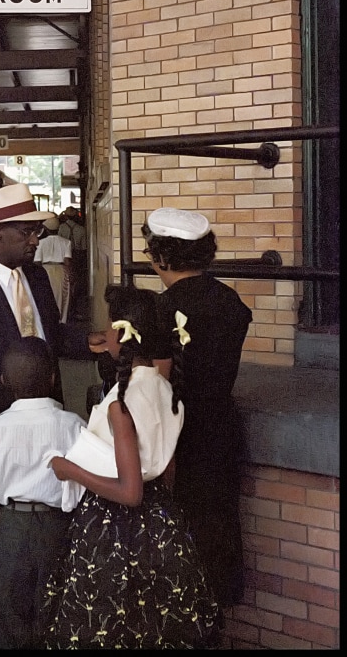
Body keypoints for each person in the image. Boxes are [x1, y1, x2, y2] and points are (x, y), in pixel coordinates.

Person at [41, 284, 220, 649]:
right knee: (156, 625)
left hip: (115, 529)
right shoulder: (167, 391)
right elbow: (166, 470)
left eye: (108, 326)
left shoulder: (120, 405)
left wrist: (68, 469)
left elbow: (130, 492)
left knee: (108, 624)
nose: (104, 333)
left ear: (123, 334)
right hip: (162, 522)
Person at [142, 206, 253, 608]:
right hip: (221, 428)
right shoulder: (231, 302)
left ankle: (183, 617)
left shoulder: (160, 308)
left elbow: (157, 386)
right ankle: (216, 613)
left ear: (162, 257)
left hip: (178, 438)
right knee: (219, 527)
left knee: (179, 531)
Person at [0, 183, 101, 450]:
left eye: (37, 231)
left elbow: (48, 333)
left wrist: (88, 341)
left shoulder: (38, 277)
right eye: (26, 232)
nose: (35, 240)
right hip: (2, 433)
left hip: (51, 419)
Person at [0, 337, 86, 650]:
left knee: (9, 617)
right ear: (53, 378)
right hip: (59, 527)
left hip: (11, 526)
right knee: (58, 613)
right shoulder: (73, 426)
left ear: (4, 381)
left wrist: (5, 526)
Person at [33, 215, 72, 323]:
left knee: (46, 297)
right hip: (61, 271)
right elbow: (67, 262)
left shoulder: (40, 243)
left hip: (45, 271)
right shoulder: (67, 242)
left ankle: (48, 321)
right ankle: (61, 321)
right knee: (62, 299)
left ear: (46, 229)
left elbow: (37, 262)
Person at [58, 205, 87, 319]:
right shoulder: (81, 229)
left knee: (65, 283)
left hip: (64, 258)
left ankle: (66, 308)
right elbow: (84, 248)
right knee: (75, 284)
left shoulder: (61, 228)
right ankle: (73, 309)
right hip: (77, 256)